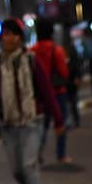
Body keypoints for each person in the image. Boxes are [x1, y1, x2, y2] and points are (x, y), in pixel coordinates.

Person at [0, 18, 65, 184]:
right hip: (7, 123)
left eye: (13, 34)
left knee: (28, 166)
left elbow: (46, 90)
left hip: (32, 121)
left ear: (20, 38)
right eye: (5, 34)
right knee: (17, 170)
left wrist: (58, 120)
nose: (9, 38)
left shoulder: (31, 60)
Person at [30, 19, 71, 164]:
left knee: (42, 126)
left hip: (40, 95)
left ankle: (37, 153)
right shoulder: (57, 50)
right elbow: (64, 72)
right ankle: (61, 155)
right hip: (57, 92)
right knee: (60, 123)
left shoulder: (32, 51)